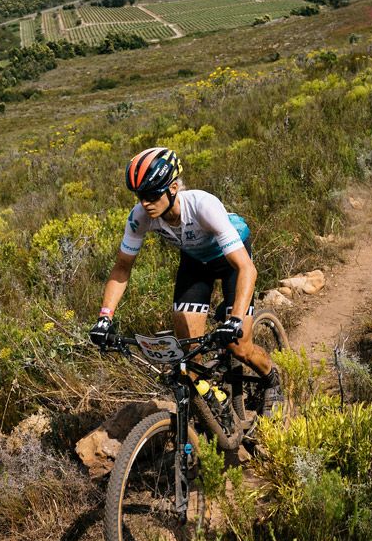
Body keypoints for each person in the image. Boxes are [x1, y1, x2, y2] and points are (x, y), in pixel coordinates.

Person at [89, 147, 284, 416]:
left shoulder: (203, 206)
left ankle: (272, 379)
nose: (145, 203)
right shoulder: (140, 216)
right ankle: (215, 402)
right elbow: (122, 267)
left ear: (173, 188)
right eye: (140, 196)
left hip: (231, 262)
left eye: (152, 194)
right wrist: (104, 318)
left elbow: (246, 269)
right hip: (195, 263)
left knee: (239, 346)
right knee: (187, 355)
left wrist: (236, 319)